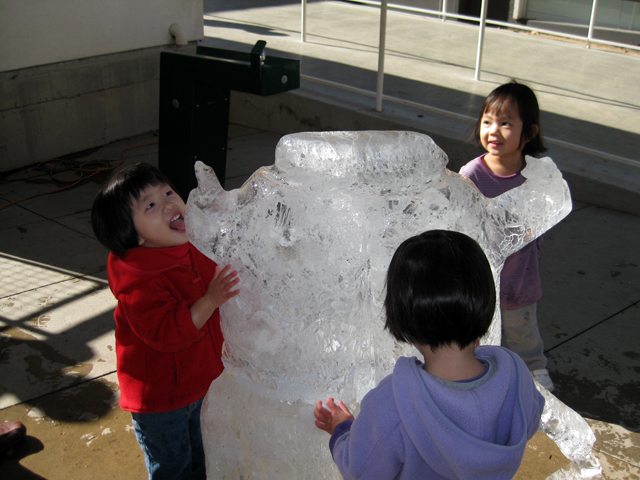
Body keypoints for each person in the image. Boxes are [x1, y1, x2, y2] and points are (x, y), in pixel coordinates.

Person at [314, 230, 544, 480]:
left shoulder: (393, 405)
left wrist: (342, 430)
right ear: (485, 303)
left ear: (402, 318)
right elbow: (528, 421)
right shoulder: (516, 378)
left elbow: (361, 470)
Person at [91, 162, 240, 480]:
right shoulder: (139, 282)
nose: (169, 203)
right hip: (161, 399)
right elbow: (168, 334)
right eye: (151, 204)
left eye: (168, 191)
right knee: (173, 466)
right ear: (134, 237)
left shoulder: (192, 246)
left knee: (204, 456)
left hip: (200, 381)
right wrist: (210, 299)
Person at [458, 80, 554, 392]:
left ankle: (534, 368)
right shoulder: (472, 174)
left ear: (530, 133)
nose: (494, 130)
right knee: (480, 332)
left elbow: (550, 212)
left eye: (506, 123)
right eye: (487, 121)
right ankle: (482, 372)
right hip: (483, 279)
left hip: (521, 279)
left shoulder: (536, 175)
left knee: (523, 330)